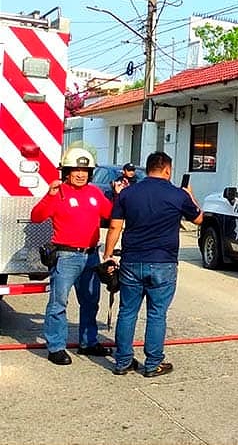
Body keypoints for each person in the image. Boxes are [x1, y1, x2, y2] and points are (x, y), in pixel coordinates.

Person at [103, 151, 203, 377]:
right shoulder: (178, 195)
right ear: (168, 169)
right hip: (163, 263)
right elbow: (198, 219)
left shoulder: (127, 194)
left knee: (127, 311)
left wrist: (108, 255)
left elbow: (114, 227)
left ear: (146, 169)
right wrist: (190, 196)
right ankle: (152, 364)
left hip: (131, 261)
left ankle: (123, 362)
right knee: (157, 314)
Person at [31, 147, 121, 365]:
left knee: (91, 302)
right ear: (67, 172)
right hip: (66, 256)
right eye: (76, 170)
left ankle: (88, 342)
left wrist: (119, 196)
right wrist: (50, 195)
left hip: (91, 256)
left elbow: (111, 215)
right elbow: (37, 217)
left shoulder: (94, 193)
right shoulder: (59, 192)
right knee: (58, 303)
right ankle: (56, 347)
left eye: (85, 170)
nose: (80, 174)